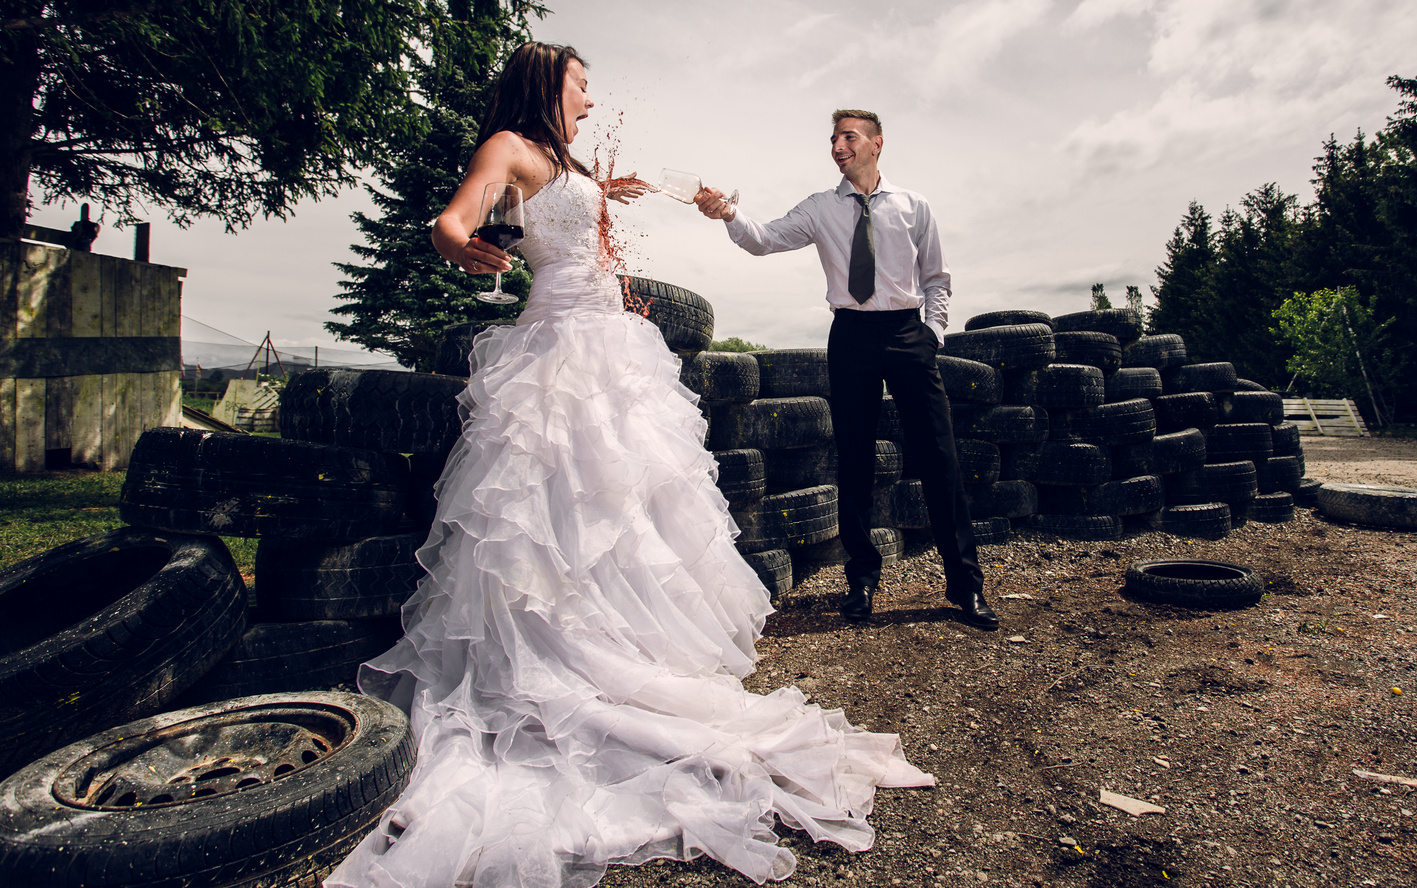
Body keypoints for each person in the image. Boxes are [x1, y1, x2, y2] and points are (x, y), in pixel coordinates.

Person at [326, 46, 932, 888]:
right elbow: (452, 223)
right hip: (557, 346)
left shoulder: (559, 162)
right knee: (555, 506)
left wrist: (603, 191)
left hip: (609, 339)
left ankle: (612, 636)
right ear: (550, 85)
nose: (590, 97)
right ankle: (561, 652)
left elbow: (559, 207)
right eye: (581, 84)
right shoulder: (507, 144)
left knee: (614, 505)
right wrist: (463, 246)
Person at [695, 111, 999, 632]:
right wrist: (728, 214)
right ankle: (861, 582)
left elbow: (937, 278)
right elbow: (763, 238)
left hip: (908, 335)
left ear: (877, 144)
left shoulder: (914, 206)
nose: (837, 146)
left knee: (939, 457)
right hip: (852, 336)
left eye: (848, 137)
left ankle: (965, 585)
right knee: (854, 458)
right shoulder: (820, 208)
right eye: (833, 138)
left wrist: (932, 334)